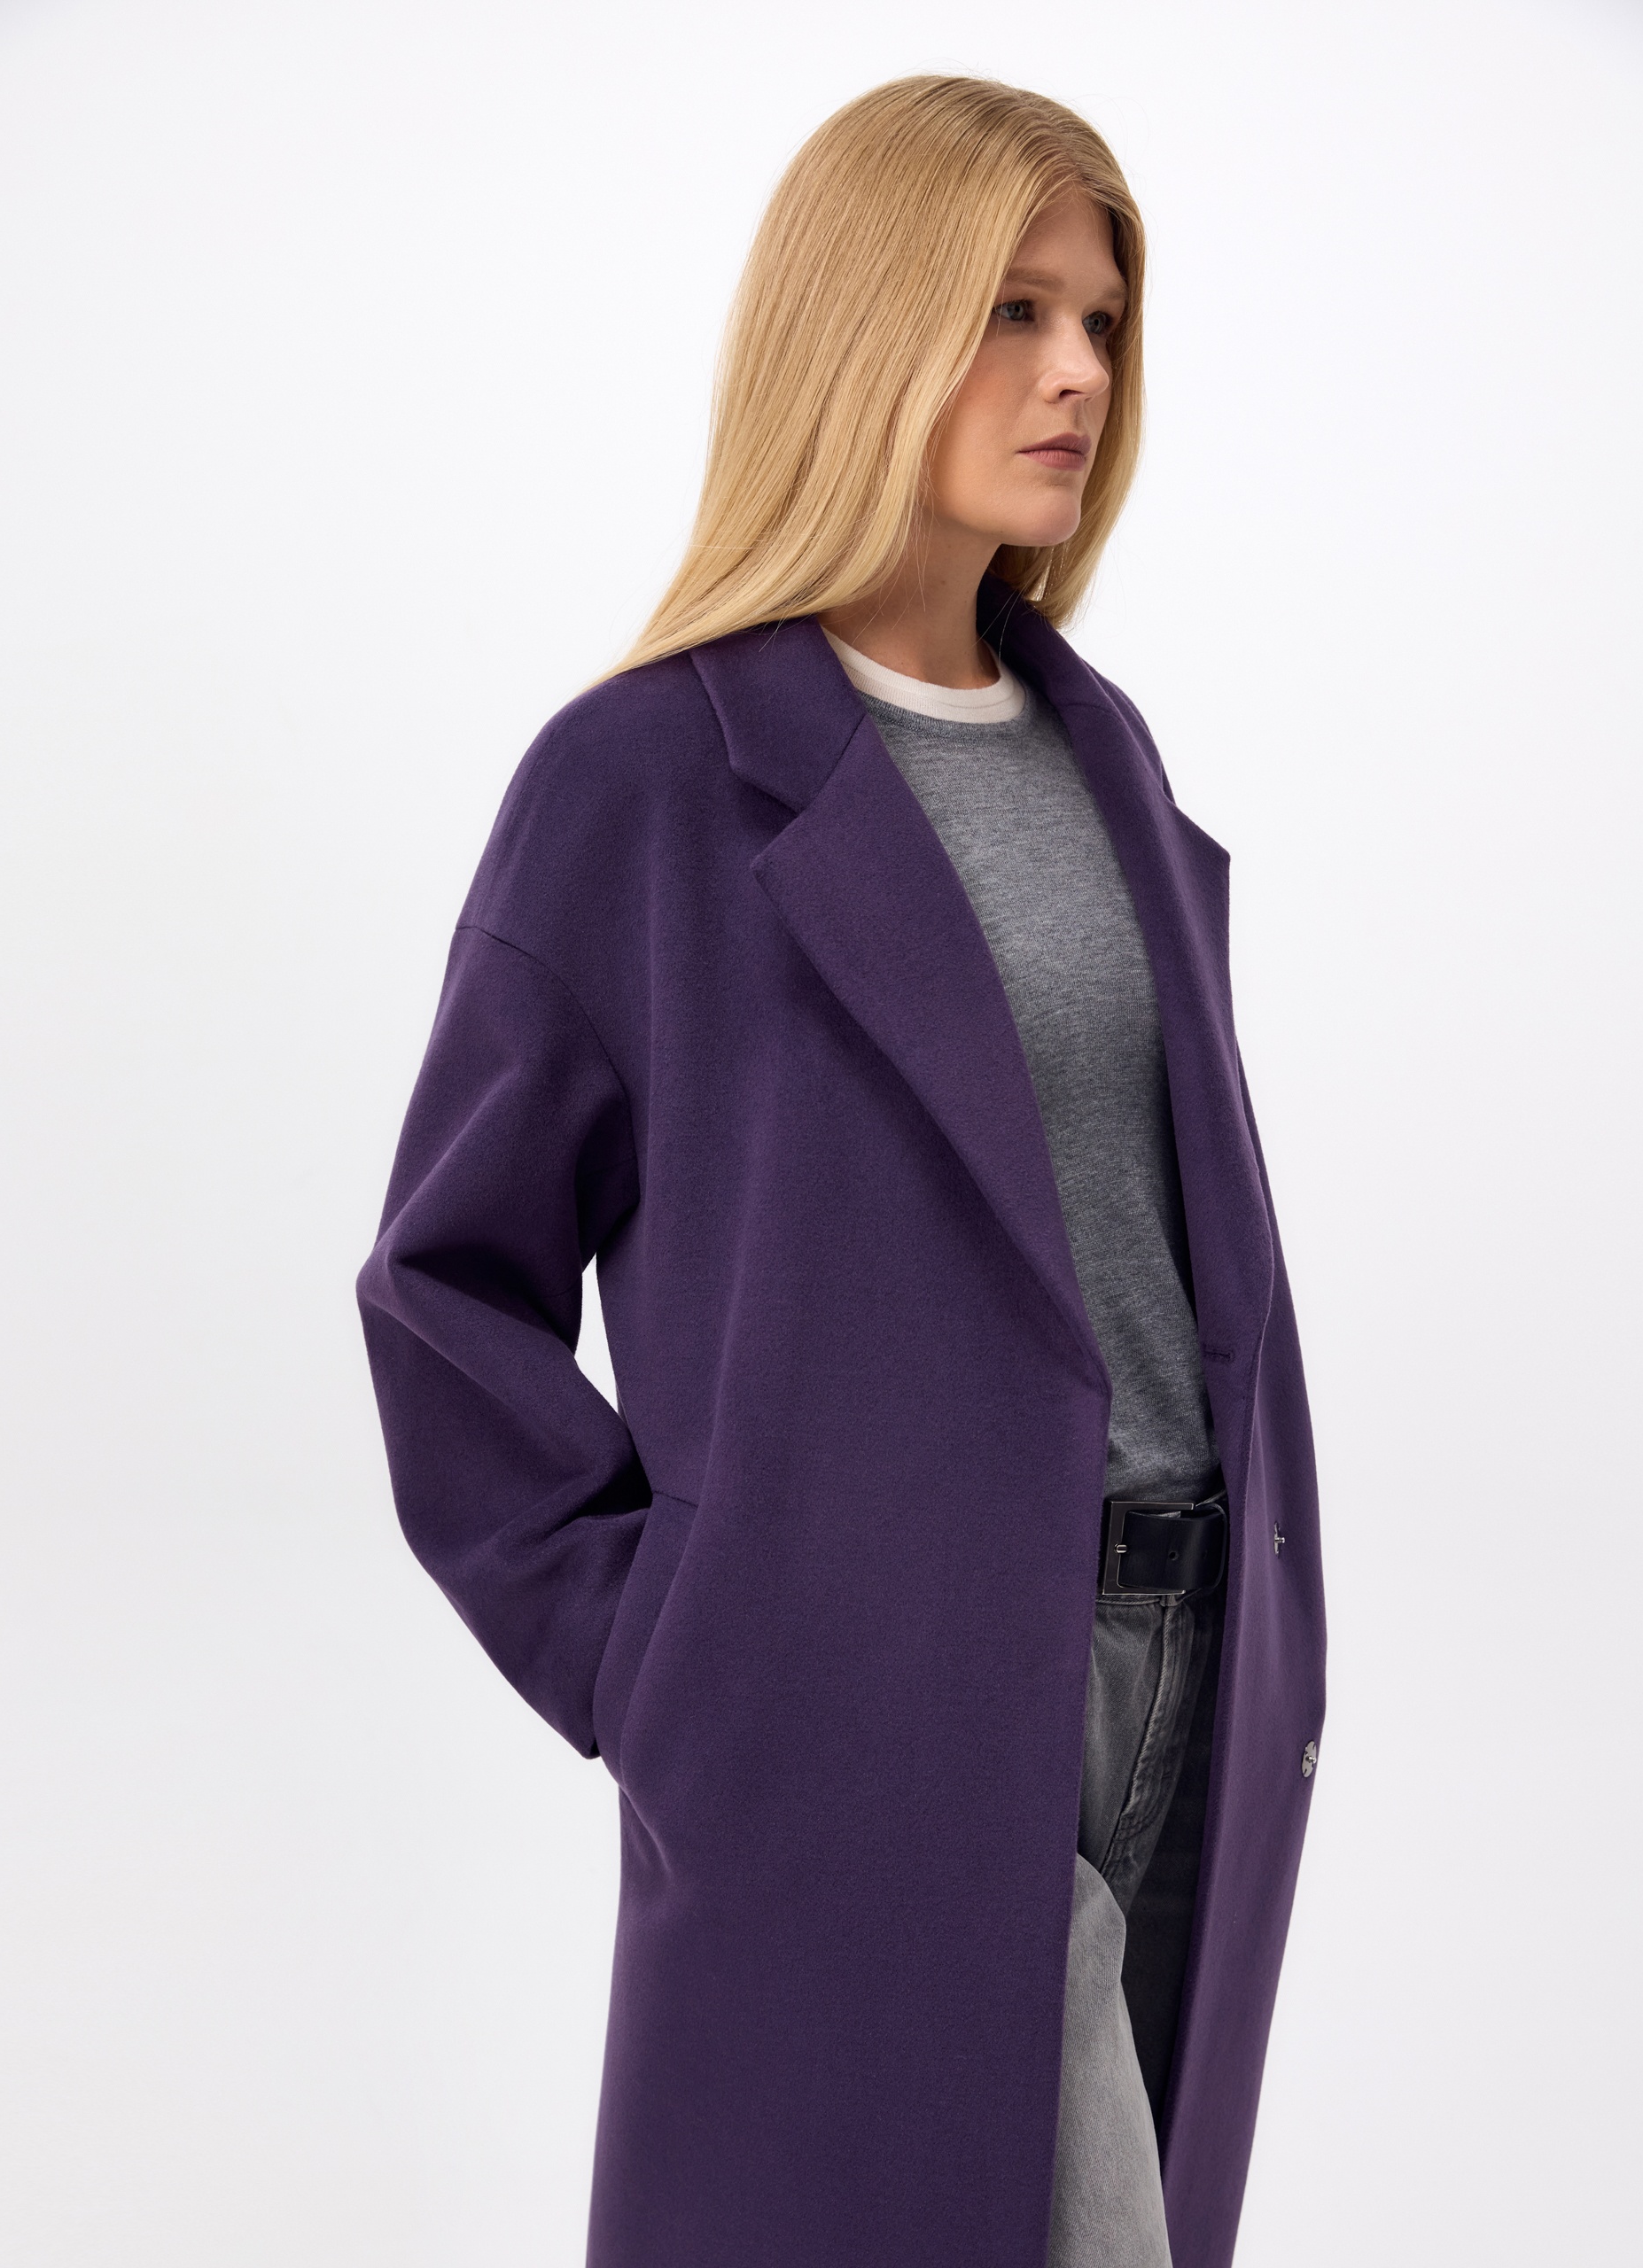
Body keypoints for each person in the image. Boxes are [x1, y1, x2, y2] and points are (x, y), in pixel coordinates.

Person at [358, 74, 1325, 2268]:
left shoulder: (1103, 750)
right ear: (865, 321)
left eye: (1101, 319)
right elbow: (443, 1294)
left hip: (1188, 1656)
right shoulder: (640, 780)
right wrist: (674, 1654)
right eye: (1011, 310)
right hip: (873, 1693)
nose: (1079, 373)